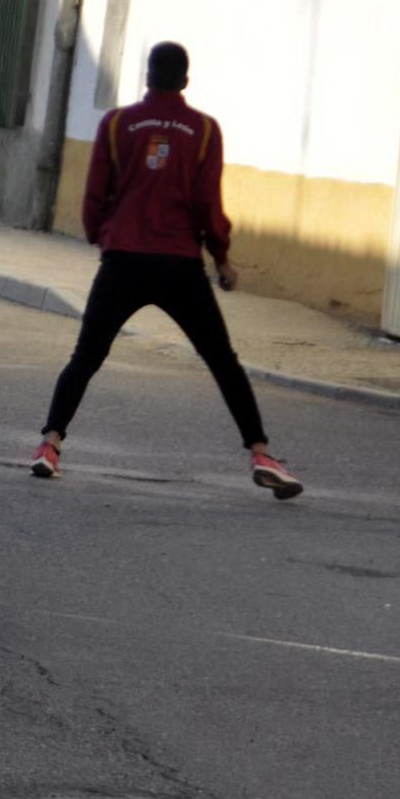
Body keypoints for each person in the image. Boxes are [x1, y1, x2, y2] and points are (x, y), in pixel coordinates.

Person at [29, 40, 305, 501]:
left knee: (86, 356)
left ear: (148, 76)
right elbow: (208, 204)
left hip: (123, 260)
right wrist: (222, 257)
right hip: (179, 265)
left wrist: (101, 235)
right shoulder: (204, 131)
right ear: (185, 80)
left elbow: (96, 193)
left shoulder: (116, 124)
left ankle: (50, 445)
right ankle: (261, 454)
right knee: (222, 361)